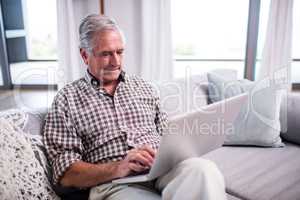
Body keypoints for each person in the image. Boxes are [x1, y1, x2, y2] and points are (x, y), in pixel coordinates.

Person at [43, 14, 227, 200]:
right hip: (115, 184)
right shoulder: (67, 99)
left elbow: (168, 135)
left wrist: (180, 148)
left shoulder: (145, 88)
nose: (116, 62)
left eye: (120, 52)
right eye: (106, 54)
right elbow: (64, 173)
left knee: (205, 170)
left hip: (162, 171)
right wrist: (118, 167)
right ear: (85, 55)